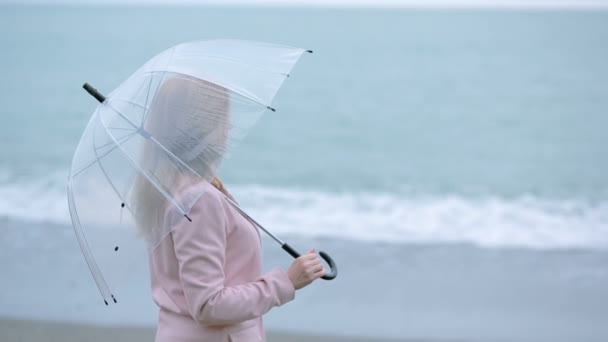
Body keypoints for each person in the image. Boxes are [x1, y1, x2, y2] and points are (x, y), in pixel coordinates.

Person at [131, 74, 325, 342]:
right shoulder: (198, 200)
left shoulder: (165, 186)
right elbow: (208, 304)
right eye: (223, 117)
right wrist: (286, 282)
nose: (230, 125)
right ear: (200, 127)